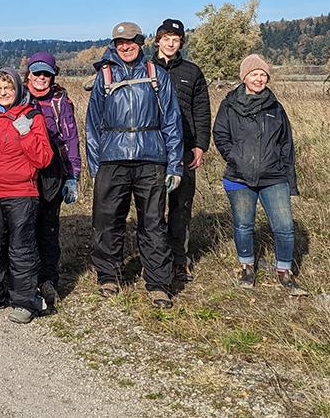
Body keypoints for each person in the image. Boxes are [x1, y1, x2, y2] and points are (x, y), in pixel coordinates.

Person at [86, 22, 183, 309]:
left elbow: (172, 122)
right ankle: (108, 275)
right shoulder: (104, 77)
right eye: (120, 43)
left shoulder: (157, 76)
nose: (125, 47)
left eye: (130, 41)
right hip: (112, 159)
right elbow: (93, 125)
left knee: (152, 222)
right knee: (107, 220)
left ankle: (158, 283)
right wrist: (96, 166)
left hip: (151, 158)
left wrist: (175, 165)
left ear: (140, 43)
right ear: (114, 46)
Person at [213, 54, 305, 296]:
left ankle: (284, 272)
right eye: (254, 74)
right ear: (244, 77)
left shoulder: (276, 107)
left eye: (263, 75)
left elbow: (287, 144)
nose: (259, 79)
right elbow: (220, 135)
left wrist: (288, 177)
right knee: (244, 225)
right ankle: (247, 267)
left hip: (273, 177)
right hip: (238, 177)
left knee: (284, 226)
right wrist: (234, 157)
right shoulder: (229, 105)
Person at [0, 69, 53, 324]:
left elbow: (43, 158)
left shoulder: (31, 116)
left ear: (17, 89)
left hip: (21, 193)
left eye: (7, 88)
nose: (3, 93)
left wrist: (26, 133)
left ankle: (24, 301)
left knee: (21, 249)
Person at [151, 19, 211, 283]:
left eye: (176, 39)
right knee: (152, 207)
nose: (171, 43)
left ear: (181, 43)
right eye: (166, 38)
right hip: (152, 148)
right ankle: (154, 258)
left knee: (181, 207)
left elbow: (202, 111)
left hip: (184, 148)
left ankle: (179, 260)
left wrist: (201, 145)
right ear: (158, 40)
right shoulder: (146, 69)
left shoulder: (192, 72)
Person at [23, 52, 81, 310]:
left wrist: (73, 175)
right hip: (22, 169)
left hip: (51, 170)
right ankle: (22, 281)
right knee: (22, 227)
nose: (41, 78)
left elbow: (71, 139)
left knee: (47, 228)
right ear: (28, 75)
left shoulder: (60, 102)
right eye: (37, 73)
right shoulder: (17, 96)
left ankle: (48, 280)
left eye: (46, 74)